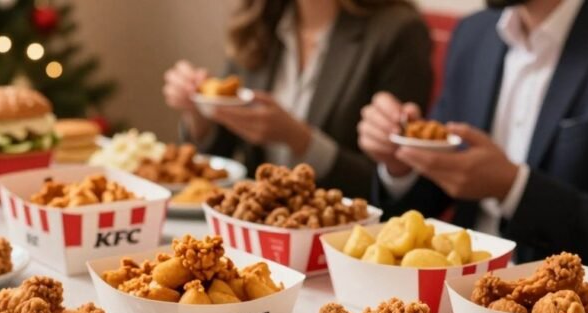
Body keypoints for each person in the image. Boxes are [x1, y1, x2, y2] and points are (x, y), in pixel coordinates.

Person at [357, 0, 588, 313]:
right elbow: (428, 199)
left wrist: (513, 187)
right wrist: (398, 164)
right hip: (456, 305)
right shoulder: (474, 34)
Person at [162, 0, 432, 197]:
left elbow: (388, 188)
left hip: (336, 239)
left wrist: (300, 139)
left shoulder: (397, 31)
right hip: (254, 225)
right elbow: (220, 158)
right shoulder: (259, 23)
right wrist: (199, 113)